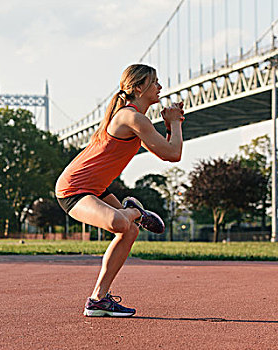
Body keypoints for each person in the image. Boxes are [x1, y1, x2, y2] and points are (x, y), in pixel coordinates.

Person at [55, 64, 184, 317]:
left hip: (95, 187)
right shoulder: (131, 116)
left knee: (130, 231)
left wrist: (170, 126)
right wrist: (176, 122)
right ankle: (135, 210)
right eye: (154, 82)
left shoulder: (137, 118)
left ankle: (98, 299)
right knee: (119, 223)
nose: (160, 86)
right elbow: (174, 152)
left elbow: (169, 153)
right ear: (138, 88)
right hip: (73, 188)